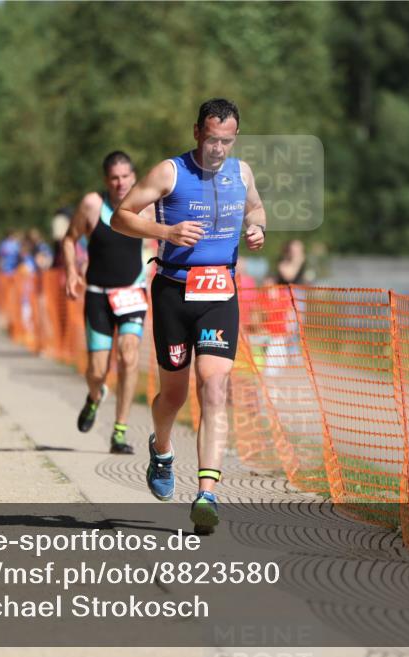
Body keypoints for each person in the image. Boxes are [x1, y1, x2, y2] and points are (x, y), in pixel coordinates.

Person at [113, 98, 266, 534]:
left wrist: (257, 227)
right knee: (174, 395)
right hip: (173, 293)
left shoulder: (242, 173)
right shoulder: (170, 172)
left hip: (220, 293)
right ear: (197, 132)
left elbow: (256, 207)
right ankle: (161, 450)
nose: (218, 149)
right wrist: (166, 231)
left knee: (215, 387)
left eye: (227, 141)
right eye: (212, 139)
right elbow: (121, 218)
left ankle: (207, 495)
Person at [63, 151, 153, 455]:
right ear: (106, 180)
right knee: (96, 372)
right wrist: (71, 271)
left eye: (125, 176)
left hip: (132, 293)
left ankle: (119, 431)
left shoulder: (145, 207)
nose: (120, 183)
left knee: (129, 356)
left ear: (134, 177)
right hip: (98, 294)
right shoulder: (92, 205)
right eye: (114, 178)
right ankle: (94, 396)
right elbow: (69, 239)